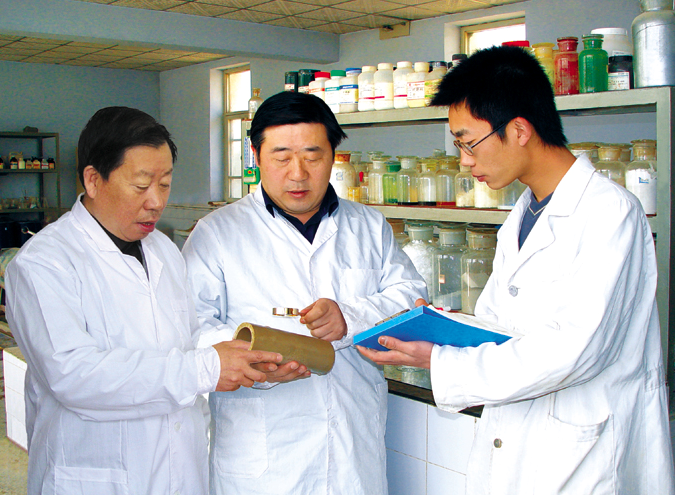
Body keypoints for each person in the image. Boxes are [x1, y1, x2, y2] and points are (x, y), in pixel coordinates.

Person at [358, 46, 675, 494]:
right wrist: (445, 327)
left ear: (520, 130)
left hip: (586, 451)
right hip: (521, 438)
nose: (464, 160)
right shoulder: (523, 215)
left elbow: (573, 351)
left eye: (468, 142)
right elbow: (503, 327)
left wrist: (441, 361)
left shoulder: (609, 213)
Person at [4, 106, 283, 495]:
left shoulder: (163, 251)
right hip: (96, 477)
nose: (156, 201)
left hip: (179, 470)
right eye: (141, 185)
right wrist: (203, 368)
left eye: (165, 184)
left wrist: (244, 356)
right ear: (93, 180)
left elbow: (186, 338)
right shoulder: (45, 263)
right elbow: (74, 375)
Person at [182, 91, 427, 494]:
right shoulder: (217, 233)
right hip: (264, 460)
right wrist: (253, 360)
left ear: (333, 156)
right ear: (256, 156)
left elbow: (411, 297)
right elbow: (191, 325)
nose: (297, 174)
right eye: (281, 158)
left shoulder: (368, 226)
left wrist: (350, 317)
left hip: (352, 452)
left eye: (313, 156)